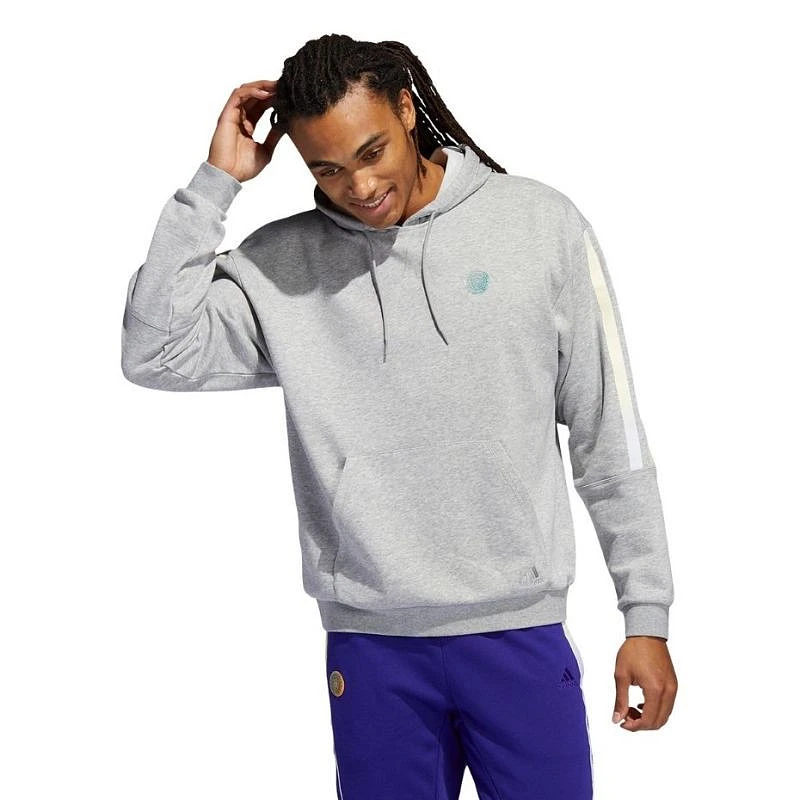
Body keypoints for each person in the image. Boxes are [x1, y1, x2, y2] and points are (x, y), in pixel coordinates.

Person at [121, 32, 678, 800]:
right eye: (327, 168)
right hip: (372, 644)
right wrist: (214, 186)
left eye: (372, 151)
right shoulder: (281, 268)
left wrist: (646, 614)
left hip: (518, 632)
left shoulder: (538, 225)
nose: (359, 184)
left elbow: (608, 432)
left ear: (408, 110)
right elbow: (153, 350)